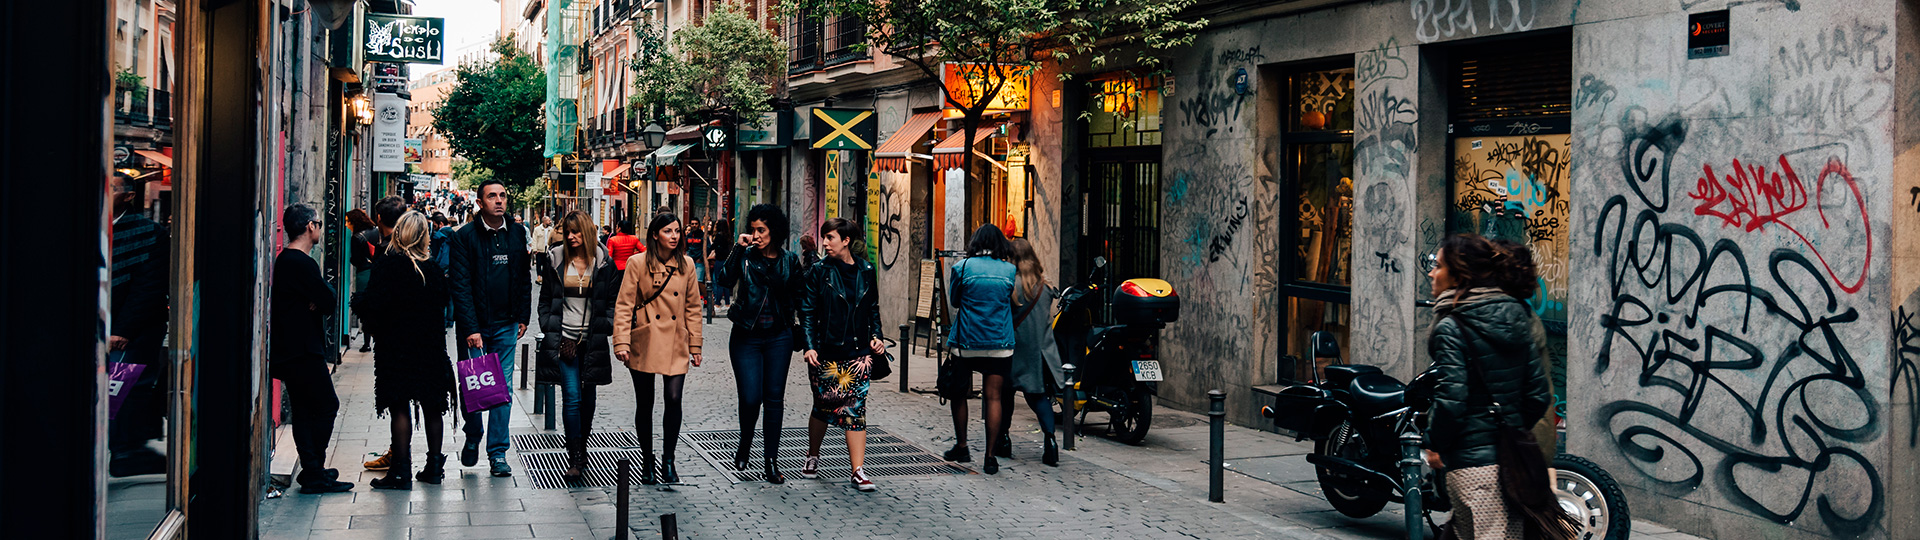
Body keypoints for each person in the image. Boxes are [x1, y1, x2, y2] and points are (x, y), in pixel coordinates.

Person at [1422, 234, 1571, 540]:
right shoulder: (1520, 316)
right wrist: (1511, 429)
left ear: (1458, 274)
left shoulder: (1452, 325)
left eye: (1438, 266)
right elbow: (1538, 394)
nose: (1431, 272)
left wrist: (1435, 441)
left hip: (1472, 464)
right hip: (1510, 460)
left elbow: (1451, 400)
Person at [353, 212, 458, 490]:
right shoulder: (432, 269)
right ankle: (434, 467)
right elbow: (443, 306)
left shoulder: (387, 265)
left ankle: (400, 472)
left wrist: (361, 304)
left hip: (396, 348)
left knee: (400, 405)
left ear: (399, 233)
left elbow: (374, 304)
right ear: (424, 237)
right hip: (430, 348)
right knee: (432, 406)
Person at [446, 179, 533, 477]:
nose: (499, 200)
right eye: (492, 196)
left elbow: (523, 278)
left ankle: (498, 453)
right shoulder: (465, 237)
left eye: (503, 195)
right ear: (480, 203)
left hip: (507, 324)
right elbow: (460, 285)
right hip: (475, 328)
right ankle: (473, 433)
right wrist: (470, 328)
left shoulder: (517, 233)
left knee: (502, 388)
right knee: (473, 384)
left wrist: (523, 316)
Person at [713, 204, 805, 483]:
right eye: (752, 229)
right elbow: (724, 280)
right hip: (746, 336)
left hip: (779, 336)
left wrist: (808, 340)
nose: (756, 235)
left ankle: (771, 461)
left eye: (761, 230)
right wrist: (738, 249)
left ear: (774, 231)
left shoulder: (790, 261)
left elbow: (801, 301)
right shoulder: (744, 256)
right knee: (751, 398)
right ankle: (745, 440)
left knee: (774, 400)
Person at [612, 213, 704, 485]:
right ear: (655, 235)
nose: (674, 236)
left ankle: (669, 459)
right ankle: (647, 460)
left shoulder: (686, 264)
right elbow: (624, 304)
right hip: (645, 338)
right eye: (668, 231)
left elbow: (693, 308)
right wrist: (621, 341)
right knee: (646, 402)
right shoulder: (636, 263)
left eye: (677, 231)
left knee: (674, 399)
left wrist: (695, 345)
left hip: (676, 340)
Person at [270, 204, 354, 494]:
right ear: (309, 226)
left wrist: (318, 298)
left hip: (294, 348)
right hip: (303, 349)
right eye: (318, 223)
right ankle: (314, 470)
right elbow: (329, 301)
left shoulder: (288, 260)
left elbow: (324, 298)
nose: (320, 227)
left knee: (305, 410)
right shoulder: (300, 262)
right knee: (326, 405)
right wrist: (318, 299)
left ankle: (313, 470)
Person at [797, 218, 885, 491]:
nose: (825, 243)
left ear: (845, 241)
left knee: (855, 410)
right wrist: (809, 345)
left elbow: (873, 309)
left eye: (830, 237)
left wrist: (877, 337)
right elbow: (808, 312)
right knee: (823, 406)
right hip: (825, 353)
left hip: (858, 354)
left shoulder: (866, 270)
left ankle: (857, 470)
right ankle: (813, 455)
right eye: (824, 237)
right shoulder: (818, 271)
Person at [537, 211, 621, 483]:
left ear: (586, 232)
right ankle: (575, 455)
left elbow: (612, 302)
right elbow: (545, 298)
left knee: (589, 399)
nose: (570, 237)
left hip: (592, 340)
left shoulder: (603, 262)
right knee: (572, 397)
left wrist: (605, 325)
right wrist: (550, 326)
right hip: (565, 339)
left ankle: (582, 446)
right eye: (566, 232)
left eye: (575, 232)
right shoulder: (556, 259)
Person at [941, 225, 1019, 474]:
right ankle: (990, 456)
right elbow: (1011, 301)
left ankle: (962, 446)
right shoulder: (1009, 270)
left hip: (967, 342)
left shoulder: (961, 268)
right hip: (999, 343)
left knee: (959, 393)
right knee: (994, 396)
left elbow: (954, 301)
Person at [108, 171, 170, 477]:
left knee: (123, 386)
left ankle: (125, 449)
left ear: (128, 196)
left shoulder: (150, 233)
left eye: (111, 189)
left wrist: (122, 330)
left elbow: (148, 289)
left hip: (132, 332)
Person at [1004, 238, 1064, 466]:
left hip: (1014, 349)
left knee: (1006, 395)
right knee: (1038, 397)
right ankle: (1050, 442)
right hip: (1038, 352)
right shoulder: (1046, 287)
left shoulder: (1010, 285)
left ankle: (1004, 439)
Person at [347, 209, 378, 352]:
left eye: (348, 222)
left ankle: (367, 343)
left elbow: (356, 260)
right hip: (377, 270)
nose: (347, 225)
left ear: (355, 222)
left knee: (364, 307)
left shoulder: (356, 237)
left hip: (364, 272)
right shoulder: (376, 230)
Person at [707, 218, 733, 306]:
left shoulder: (719, 236)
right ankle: (727, 303)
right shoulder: (728, 236)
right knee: (725, 282)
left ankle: (717, 303)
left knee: (719, 282)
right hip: (726, 261)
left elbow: (713, 246)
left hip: (719, 260)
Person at [685, 220, 707, 295]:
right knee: (689, 282)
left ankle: (708, 298)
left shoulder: (703, 235)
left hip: (699, 262)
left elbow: (708, 248)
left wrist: (701, 258)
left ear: (699, 224)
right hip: (690, 261)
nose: (694, 225)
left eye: (696, 224)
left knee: (699, 281)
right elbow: (686, 247)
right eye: (692, 224)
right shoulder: (689, 236)